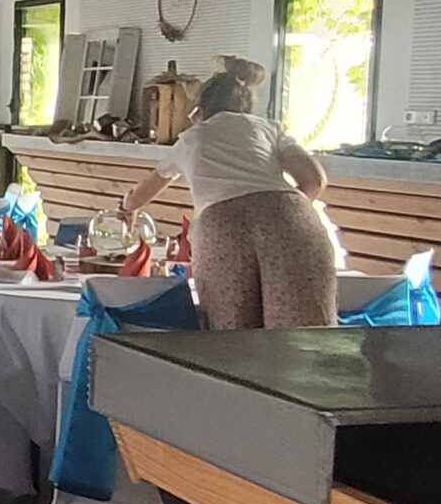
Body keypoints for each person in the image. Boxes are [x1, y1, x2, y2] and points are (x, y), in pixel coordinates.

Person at [118, 60, 337, 329]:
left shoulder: (192, 138)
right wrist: (281, 212)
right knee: (304, 336)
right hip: (290, 217)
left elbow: (143, 192)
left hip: (222, 224)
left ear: (200, 110)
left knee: (231, 337)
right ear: (247, 106)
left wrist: (127, 207)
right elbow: (314, 180)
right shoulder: (268, 129)